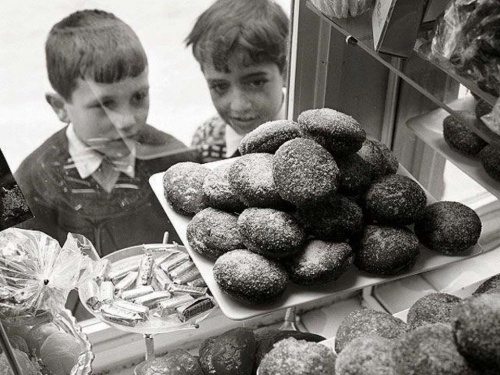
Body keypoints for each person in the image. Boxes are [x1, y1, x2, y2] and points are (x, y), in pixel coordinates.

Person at [15, 9, 198, 257]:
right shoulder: (29, 182)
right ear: (60, 107)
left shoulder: (173, 161)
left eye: (138, 96)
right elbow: (14, 273)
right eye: (105, 104)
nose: (127, 121)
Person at [186, 0, 290, 163]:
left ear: (285, 73)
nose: (238, 106)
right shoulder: (206, 141)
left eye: (256, 82)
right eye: (220, 86)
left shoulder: (306, 140)